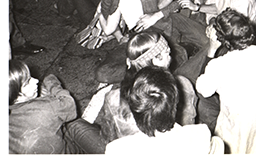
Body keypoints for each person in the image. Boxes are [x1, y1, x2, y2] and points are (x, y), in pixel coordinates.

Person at [64, 31, 198, 154]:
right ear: (157, 60)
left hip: (124, 150)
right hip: (174, 149)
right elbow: (188, 125)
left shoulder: (113, 97)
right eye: (168, 52)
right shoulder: (182, 86)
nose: (171, 55)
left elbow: (109, 136)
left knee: (73, 124)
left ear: (129, 63)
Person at [96, 0, 188, 82]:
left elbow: (179, 0)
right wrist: (118, 35)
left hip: (159, 30)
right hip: (136, 36)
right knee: (102, 74)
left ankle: (145, 71)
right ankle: (147, 71)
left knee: (177, 58)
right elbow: (108, 20)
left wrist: (156, 16)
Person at [196, 8, 256, 154]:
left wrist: (211, 49)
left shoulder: (219, 65)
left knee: (202, 99)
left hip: (238, 134)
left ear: (223, 41)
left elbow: (202, 89)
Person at [105, 66, 224, 155]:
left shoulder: (115, 150)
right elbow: (219, 148)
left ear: (134, 108)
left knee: (85, 129)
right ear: (176, 105)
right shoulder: (200, 135)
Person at [9, 60, 77, 154]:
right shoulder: (46, 107)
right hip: (66, 152)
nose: (36, 80)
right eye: (27, 82)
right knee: (76, 123)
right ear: (14, 94)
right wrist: (51, 82)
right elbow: (69, 105)